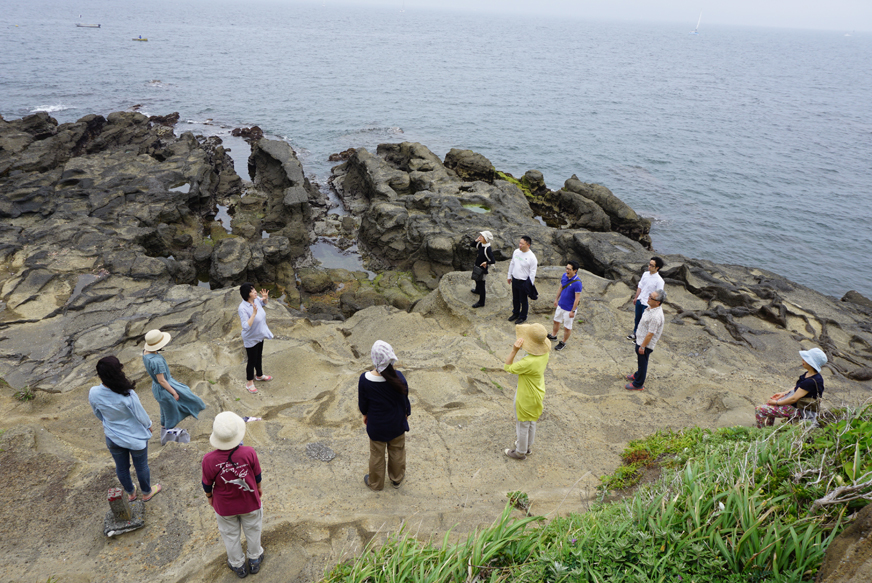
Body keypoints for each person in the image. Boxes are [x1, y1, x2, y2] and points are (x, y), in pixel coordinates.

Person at [89, 355, 162, 502]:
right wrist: (148, 425)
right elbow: (140, 414)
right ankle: (146, 492)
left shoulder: (94, 393)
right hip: (135, 438)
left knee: (121, 468)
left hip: (112, 436)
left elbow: (97, 413)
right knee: (141, 466)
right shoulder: (127, 394)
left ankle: (131, 492)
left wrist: (109, 422)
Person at [202, 411, 264, 578]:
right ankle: (255, 558)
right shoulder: (249, 452)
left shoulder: (208, 460)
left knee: (230, 536)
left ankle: (238, 566)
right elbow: (257, 474)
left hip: (224, 507)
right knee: (253, 529)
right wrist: (258, 488)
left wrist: (209, 497)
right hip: (250, 501)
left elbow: (206, 483)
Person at [358, 340, 411, 491]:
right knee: (397, 451)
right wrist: (405, 415)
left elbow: (363, 404)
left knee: (377, 454)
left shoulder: (365, 379)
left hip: (377, 426)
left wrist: (365, 415)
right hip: (396, 424)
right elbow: (405, 401)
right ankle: (396, 479)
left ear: (374, 359)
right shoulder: (399, 377)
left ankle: (375, 483)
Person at [142, 329, 206, 438]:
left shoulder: (145, 352)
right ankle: (168, 436)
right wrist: (174, 392)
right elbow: (162, 380)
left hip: (157, 387)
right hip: (165, 387)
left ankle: (164, 433)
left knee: (165, 411)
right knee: (172, 412)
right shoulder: (157, 361)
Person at [503, 323, 551, 460]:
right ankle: (527, 447)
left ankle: (520, 452)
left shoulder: (528, 362)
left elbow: (508, 367)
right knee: (531, 422)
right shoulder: (544, 354)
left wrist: (514, 350)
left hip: (525, 396)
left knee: (522, 423)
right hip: (538, 392)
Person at [755, 348, 826, 428]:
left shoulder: (810, 381)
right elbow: (799, 387)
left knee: (759, 409)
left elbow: (794, 399)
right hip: (798, 404)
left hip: (799, 409)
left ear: (811, 363)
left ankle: (761, 432)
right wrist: (783, 394)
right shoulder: (811, 374)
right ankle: (769, 427)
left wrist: (776, 403)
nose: (802, 360)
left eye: (805, 359)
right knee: (769, 405)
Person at [625, 288, 666, 391]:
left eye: (651, 298)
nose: (648, 298)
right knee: (640, 361)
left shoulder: (656, 317)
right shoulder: (651, 308)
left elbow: (650, 334)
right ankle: (637, 375)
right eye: (649, 295)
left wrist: (643, 346)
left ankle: (638, 384)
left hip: (645, 343)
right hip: (641, 340)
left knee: (643, 363)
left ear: (657, 302)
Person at [238, 283, 274, 394]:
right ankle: (249, 382)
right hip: (251, 337)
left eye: (254, 289)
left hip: (260, 334)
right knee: (252, 360)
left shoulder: (256, 299)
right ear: (247, 294)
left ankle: (259, 375)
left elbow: (264, 303)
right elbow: (245, 326)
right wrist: (253, 314)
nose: (255, 292)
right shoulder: (242, 308)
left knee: (259, 356)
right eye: (252, 291)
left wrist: (265, 299)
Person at [548, 261, 583, 351]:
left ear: (575, 270)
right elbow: (561, 288)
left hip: (569, 309)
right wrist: (556, 299)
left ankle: (563, 342)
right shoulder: (564, 276)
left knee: (567, 327)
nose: (567, 270)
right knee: (556, 321)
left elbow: (577, 298)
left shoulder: (577, 283)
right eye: (566, 268)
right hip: (561, 305)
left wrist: (573, 311)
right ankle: (553, 335)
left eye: (569, 269)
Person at [628, 257, 665, 341]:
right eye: (649, 264)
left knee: (645, 322)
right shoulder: (645, 274)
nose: (649, 266)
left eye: (652, 265)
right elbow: (640, 286)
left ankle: (641, 338)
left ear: (657, 267)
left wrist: (654, 307)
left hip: (648, 304)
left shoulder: (659, 281)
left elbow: (659, 295)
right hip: (640, 300)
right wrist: (636, 297)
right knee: (637, 318)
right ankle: (635, 333)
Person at [507, 235, 538, 325]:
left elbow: (533, 272)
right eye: (520, 243)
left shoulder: (532, 257)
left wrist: (529, 284)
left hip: (524, 281)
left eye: (522, 244)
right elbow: (512, 263)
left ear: (528, 245)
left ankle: (522, 316)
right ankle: (515, 313)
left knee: (523, 300)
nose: (520, 245)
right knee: (515, 298)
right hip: (515, 279)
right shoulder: (516, 252)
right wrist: (509, 275)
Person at [471, 230, 496, 308]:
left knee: (481, 285)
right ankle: (477, 290)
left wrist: (486, 263)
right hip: (477, 266)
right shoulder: (480, 244)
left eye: (482, 236)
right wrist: (476, 240)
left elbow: (493, 261)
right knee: (476, 279)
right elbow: (472, 245)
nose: (480, 237)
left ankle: (481, 302)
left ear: (486, 238)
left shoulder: (487, 248)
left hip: (482, 270)